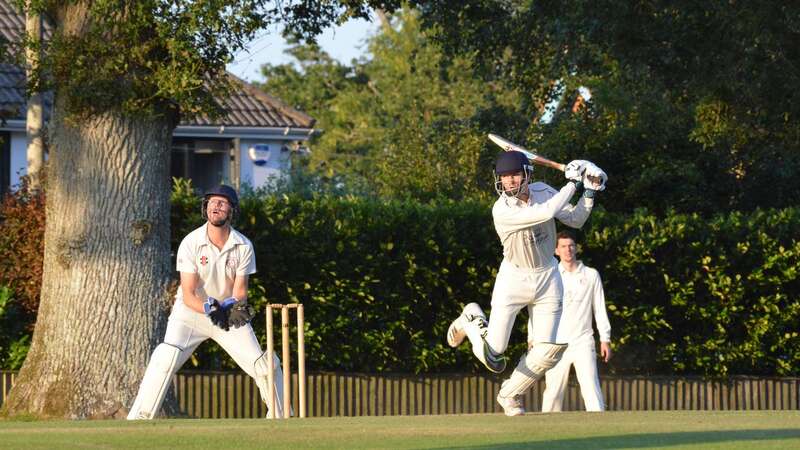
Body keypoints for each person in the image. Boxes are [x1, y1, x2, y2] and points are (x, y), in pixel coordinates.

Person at [446, 150, 606, 416]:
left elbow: (575, 219)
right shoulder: (501, 210)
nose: (509, 181)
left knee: (547, 352)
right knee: (494, 357)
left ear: (526, 174)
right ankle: (472, 318)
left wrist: (589, 191)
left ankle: (510, 395)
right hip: (514, 279)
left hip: (548, 277)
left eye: (514, 175)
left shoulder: (543, 190)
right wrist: (573, 181)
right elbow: (545, 214)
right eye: (504, 177)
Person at [127, 184, 289, 419]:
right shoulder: (191, 242)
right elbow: (189, 292)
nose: (216, 206)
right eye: (212, 202)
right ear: (206, 207)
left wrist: (227, 307)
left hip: (227, 313)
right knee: (165, 357)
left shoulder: (243, 245)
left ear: (231, 210)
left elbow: (241, 291)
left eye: (222, 203)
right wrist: (208, 308)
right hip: (190, 314)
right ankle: (139, 417)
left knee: (263, 365)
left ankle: (282, 415)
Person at [537, 230, 612, 413]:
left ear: (576, 248)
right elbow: (539, 308)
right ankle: (547, 435)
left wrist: (605, 339)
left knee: (591, 389)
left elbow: (599, 308)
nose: (567, 250)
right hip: (556, 343)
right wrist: (533, 338)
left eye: (571, 245)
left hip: (583, 341)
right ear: (556, 250)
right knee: (552, 393)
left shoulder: (591, 275)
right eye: (563, 246)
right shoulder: (550, 275)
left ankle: (601, 430)